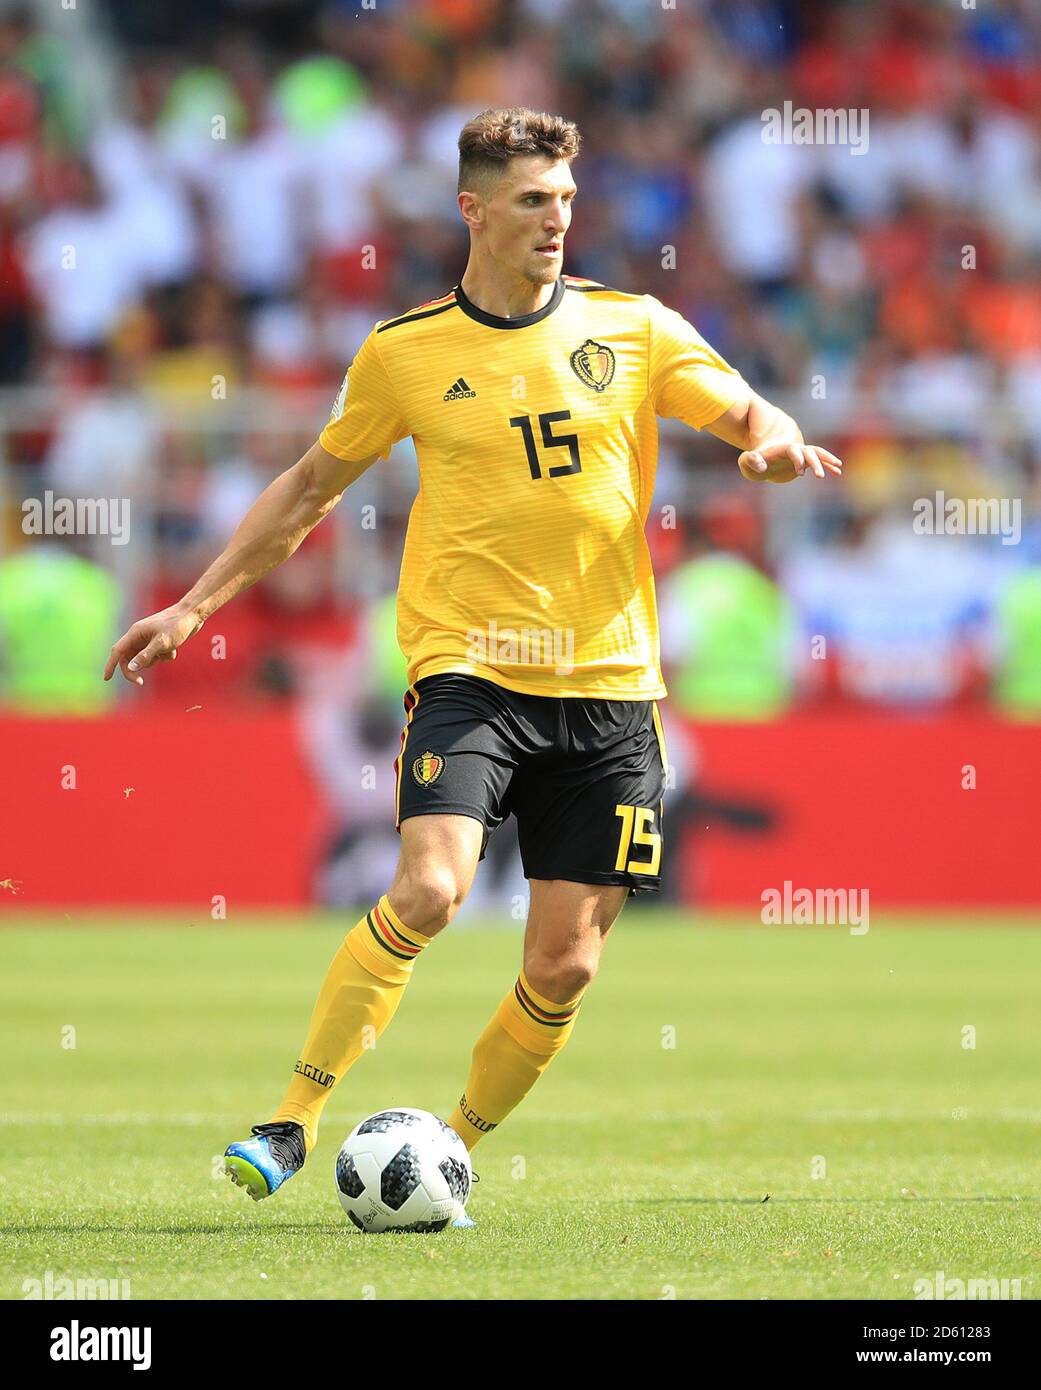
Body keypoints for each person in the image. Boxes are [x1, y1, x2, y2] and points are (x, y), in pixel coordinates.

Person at [104, 107, 842, 1215]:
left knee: (565, 965)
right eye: (534, 200)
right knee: (433, 887)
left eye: (566, 201)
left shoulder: (633, 326)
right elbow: (310, 488)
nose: (556, 221)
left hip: (610, 686)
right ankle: (292, 1119)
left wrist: (773, 441)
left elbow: (746, 409)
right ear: (474, 209)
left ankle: (444, 1147)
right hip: (472, 671)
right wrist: (195, 606)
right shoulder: (406, 351)